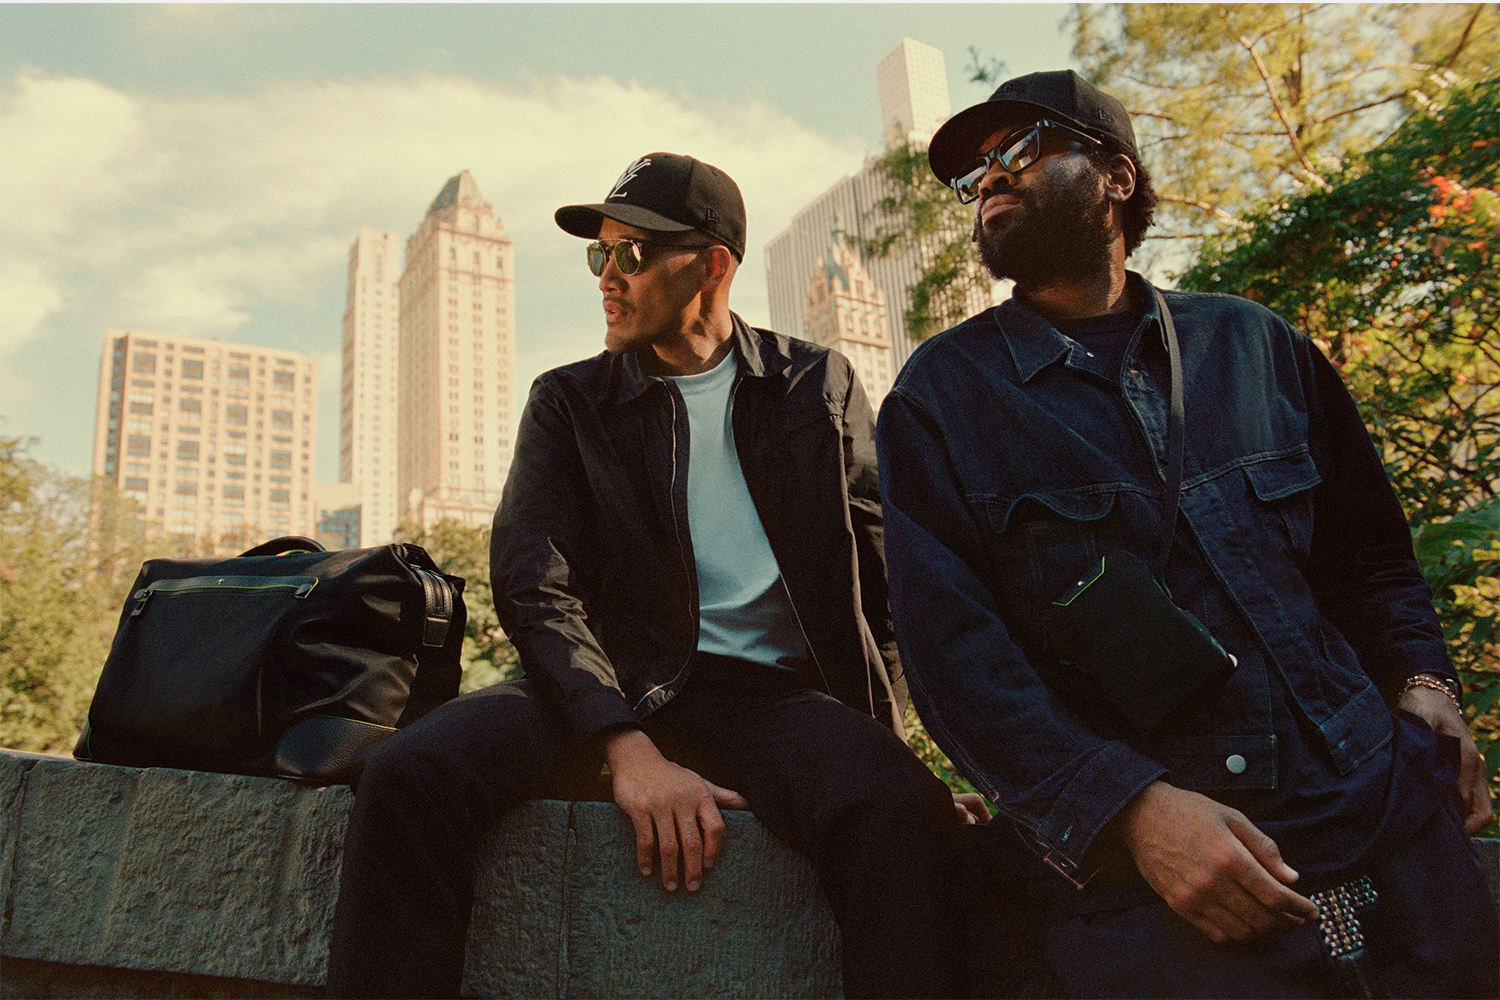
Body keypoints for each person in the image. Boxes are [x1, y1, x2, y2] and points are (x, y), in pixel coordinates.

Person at [876, 70, 1499, 998]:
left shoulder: (1256, 346)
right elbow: (954, 661)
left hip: (1388, 824)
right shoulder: (941, 398)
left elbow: (1369, 557)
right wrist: (1130, 813)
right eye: (975, 175)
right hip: (1169, 885)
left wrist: (1425, 686)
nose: (989, 181)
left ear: (1117, 178)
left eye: (1018, 151)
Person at [326, 151, 985, 999]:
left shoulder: (815, 384)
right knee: (409, 774)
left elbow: (881, 576)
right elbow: (536, 586)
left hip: (771, 698)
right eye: (599, 255)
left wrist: (894, 760)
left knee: (903, 817)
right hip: (602, 684)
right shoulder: (568, 400)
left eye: (632, 254)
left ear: (712, 264)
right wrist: (623, 746)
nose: (608, 276)